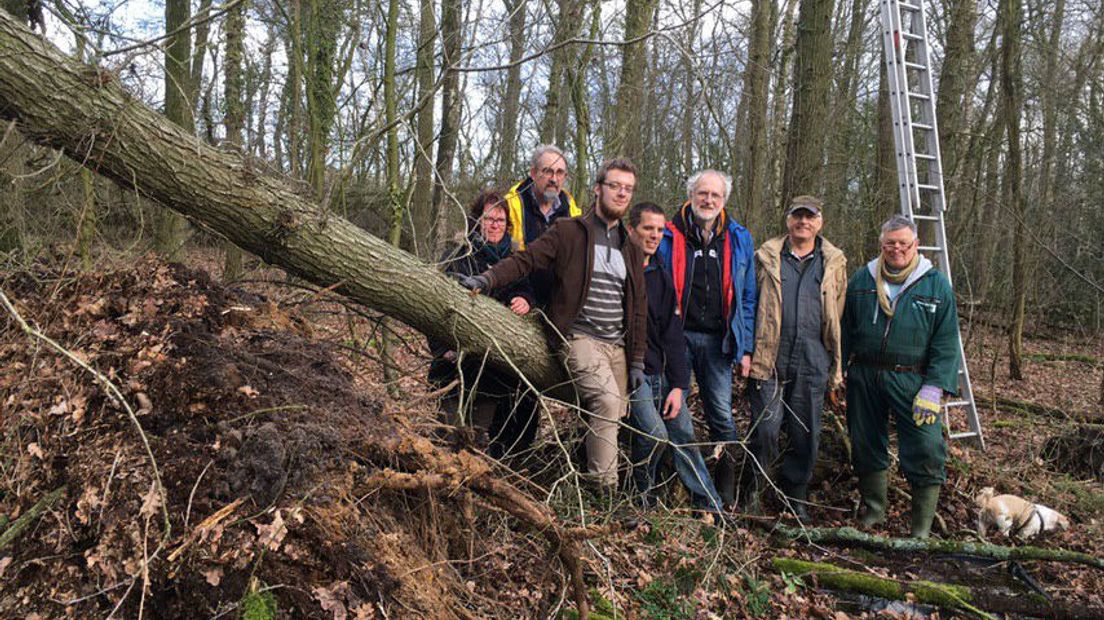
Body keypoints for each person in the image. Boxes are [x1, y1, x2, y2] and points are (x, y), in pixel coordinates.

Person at [461, 158, 646, 491]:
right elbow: (526, 260)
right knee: (605, 401)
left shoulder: (631, 247)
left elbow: (638, 307)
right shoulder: (569, 231)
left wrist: (637, 360)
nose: (621, 194)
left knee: (614, 414)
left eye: (628, 189)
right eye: (615, 186)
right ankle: (607, 495)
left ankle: (585, 484)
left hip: (617, 344)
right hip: (580, 337)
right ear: (598, 189)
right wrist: (486, 279)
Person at [842, 215, 961, 538]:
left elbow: (947, 341)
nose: (896, 249)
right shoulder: (862, 280)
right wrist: (838, 371)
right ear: (881, 244)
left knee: (926, 446)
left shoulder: (935, 284)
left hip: (914, 380)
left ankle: (920, 527)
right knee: (865, 441)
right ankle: (874, 510)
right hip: (865, 374)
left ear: (915, 245)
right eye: (890, 243)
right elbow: (843, 330)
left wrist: (935, 387)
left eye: (903, 244)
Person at [656, 169, 757, 506]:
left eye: (715, 195)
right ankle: (670, 485)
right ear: (691, 195)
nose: (708, 200)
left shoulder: (739, 237)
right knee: (672, 409)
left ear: (723, 200)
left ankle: (724, 492)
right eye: (703, 194)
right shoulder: (670, 234)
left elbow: (747, 298)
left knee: (722, 417)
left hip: (719, 340)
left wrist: (745, 348)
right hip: (678, 336)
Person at [745, 196, 847, 520]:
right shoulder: (766, 257)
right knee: (766, 428)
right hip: (770, 356)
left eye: (810, 217)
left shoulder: (834, 263)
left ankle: (795, 496)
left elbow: (838, 311)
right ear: (788, 220)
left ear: (820, 222)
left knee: (805, 433)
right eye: (797, 216)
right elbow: (750, 303)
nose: (803, 222)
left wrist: (835, 362)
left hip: (813, 358)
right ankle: (751, 491)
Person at [627, 202, 724, 514]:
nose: (654, 236)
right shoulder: (618, 271)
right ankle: (642, 499)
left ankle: (711, 505)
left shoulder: (660, 273)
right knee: (653, 436)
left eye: (659, 230)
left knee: (684, 435)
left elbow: (672, 332)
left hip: (664, 372)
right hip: (631, 374)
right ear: (631, 231)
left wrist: (680, 386)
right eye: (647, 229)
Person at [428, 190, 540, 459]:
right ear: (477, 221)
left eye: (500, 220)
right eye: (488, 218)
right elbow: (431, 306)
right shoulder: (458, 256)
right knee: (449, 434)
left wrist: (524, 299)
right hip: (453, 362)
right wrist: (442, 349)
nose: (494, 225)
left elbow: (527, 292)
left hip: (492, 369)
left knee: (478, 438)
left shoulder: (515, 261)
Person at [503, 145, 581, 307]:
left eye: (560, 173)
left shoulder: (573, 214)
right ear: (533, 173)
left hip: (558, 308)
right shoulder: (510, 207)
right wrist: (520, 294)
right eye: (547, 171)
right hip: (517, 303)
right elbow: (499, 257)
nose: (554, 179)